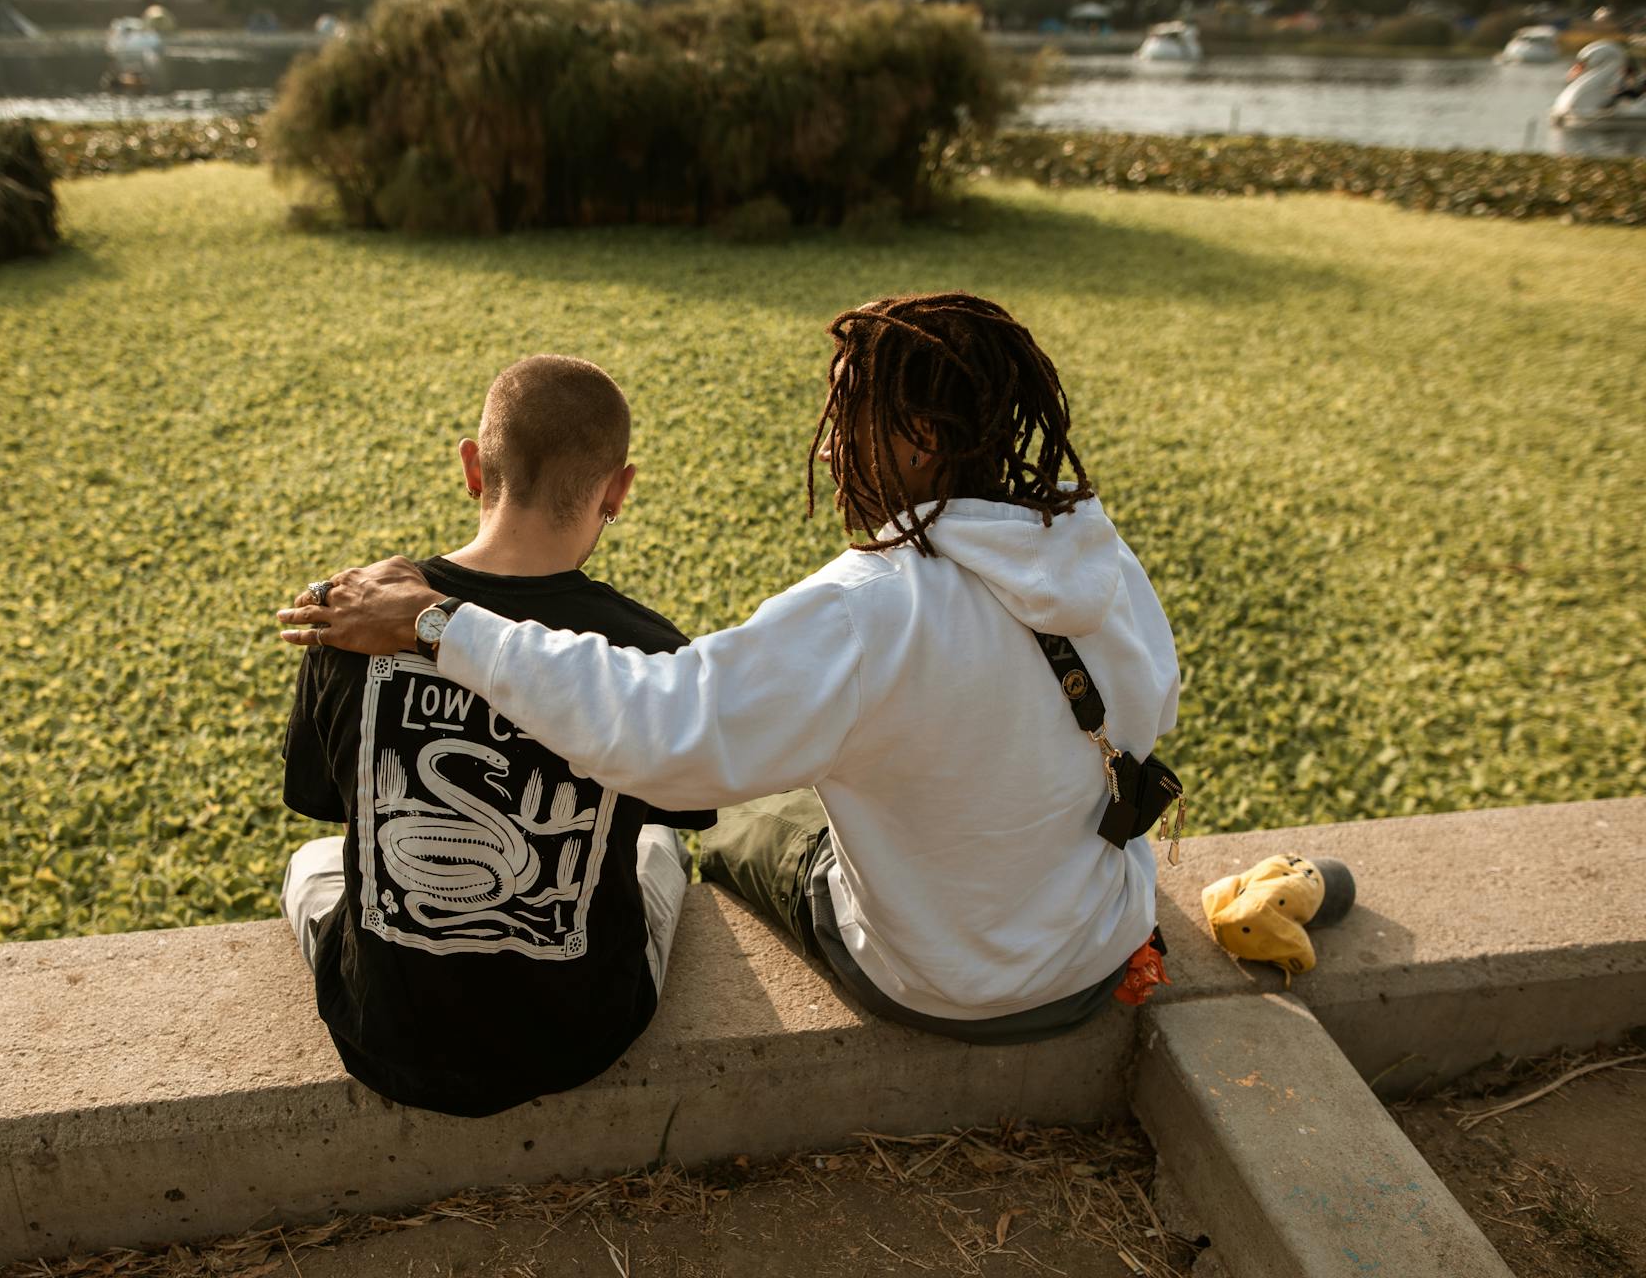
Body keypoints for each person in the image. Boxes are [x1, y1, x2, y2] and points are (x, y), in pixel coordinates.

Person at [280, 293, 1181, 1044]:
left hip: (943, 990)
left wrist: (437, 623)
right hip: (1096, 952)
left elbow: (660, 734)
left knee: (751, 820)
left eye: (846, 421)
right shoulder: (1093, 554)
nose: (828, 452)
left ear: (917, 437)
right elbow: (1151, 708)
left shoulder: (866, 609)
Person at [280, 354, 712, 1117]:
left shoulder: (351, 617)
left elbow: (325, 800)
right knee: (660, 845)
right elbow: (688, 805)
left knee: (313, 862)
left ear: (474, 467)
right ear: (619, 488)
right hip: (581, 1035)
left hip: (385, 1038)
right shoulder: (646, 651)